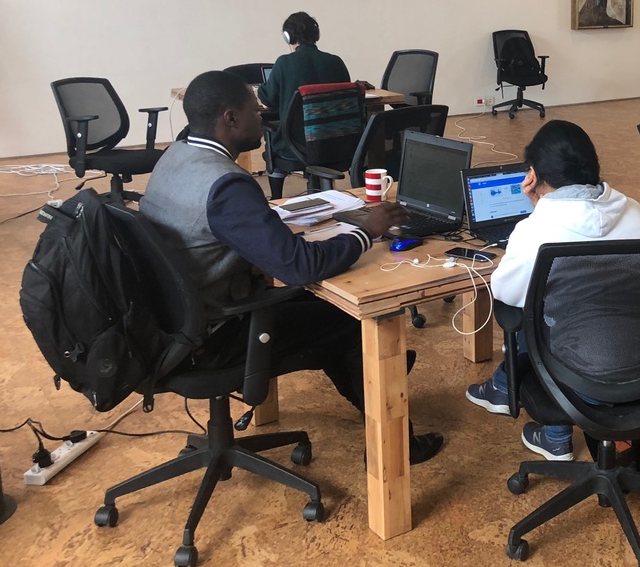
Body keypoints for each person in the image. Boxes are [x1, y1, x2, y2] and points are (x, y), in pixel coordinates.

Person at [141, 70, 444, 464]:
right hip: (211, 337)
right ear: (230, 118)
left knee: (322, 315)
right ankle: (394, 444)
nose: (264, 118)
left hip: (173, 320)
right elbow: (300, 267)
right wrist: (366, 231)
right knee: (347, 321)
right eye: (256, 110)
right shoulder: (226, 185)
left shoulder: (178, 155)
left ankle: (380, 383)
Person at [465, 120, 640, 461]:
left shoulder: (537, 229)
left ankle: (549, 429)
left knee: (532, 311)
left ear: (534, 175)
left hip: (585, 379)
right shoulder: (635, 213)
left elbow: (507, 293)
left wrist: (536, 212)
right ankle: (529, 413)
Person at [257, 11, 351, 199]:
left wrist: (260, 90)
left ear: (288, 37)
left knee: (273, 139)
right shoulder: (336, 62)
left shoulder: (284, 63)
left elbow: (268, 100)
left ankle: (276, 198)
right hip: (336, 147)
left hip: (296, 148)